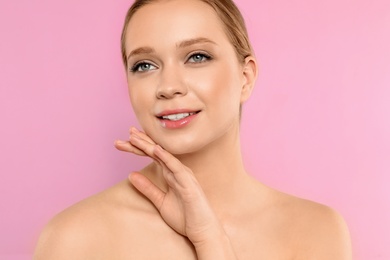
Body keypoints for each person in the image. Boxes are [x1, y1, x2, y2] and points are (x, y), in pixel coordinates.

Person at [34, 0, 352, 259]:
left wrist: (212, 244)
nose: (168, 87)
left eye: (197, 56)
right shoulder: (75, 239)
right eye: (144, 65)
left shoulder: (318, 232)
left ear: (246, 77)